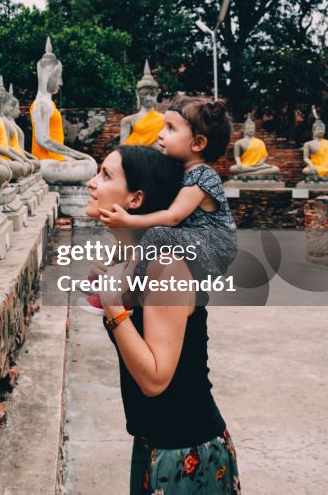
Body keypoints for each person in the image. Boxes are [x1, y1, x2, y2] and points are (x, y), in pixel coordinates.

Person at [86, 146, 241, 493]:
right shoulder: (127, 255)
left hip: (186, 451)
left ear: (136, 199)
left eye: (106, 175)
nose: (91, 183)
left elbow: (156, 379)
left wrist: (113, 308)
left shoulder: (166, 264)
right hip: (152, 442)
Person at [98, 96, 238, 283]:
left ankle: (127, 286)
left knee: (157, 233)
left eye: (170, 128)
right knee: (143, 235)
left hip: (212, 247)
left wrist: (129, 219)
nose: (160, 134)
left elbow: (173, 217)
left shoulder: (202, 175)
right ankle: (108, 274)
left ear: (197, 143)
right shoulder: (179, 171)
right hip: (190, 241)